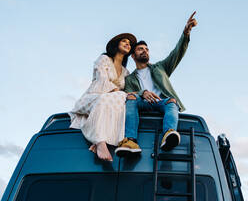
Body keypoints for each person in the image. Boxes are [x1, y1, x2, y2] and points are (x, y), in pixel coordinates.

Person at [115, 12, 198, 156]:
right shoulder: (129, 78)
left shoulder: (160, 67)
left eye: (147, 49)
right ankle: (131, 141)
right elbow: (128, 94)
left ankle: (169, 134)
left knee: (172, 101)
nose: (145, 51)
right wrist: (143, 93)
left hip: (161, 103)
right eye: (141, 49)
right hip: (142, 105)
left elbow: (176, 53)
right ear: (133, 56)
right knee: (131, 98)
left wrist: (186, 33)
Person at [69, 33, 137, 161]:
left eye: (130, 43)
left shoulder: (126, 72)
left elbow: (127, 92)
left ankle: (108, 137)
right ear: (116, 44)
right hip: (94, 97)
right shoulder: (103, 59)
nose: (128, 44)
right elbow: (102, 79)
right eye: (124, 41)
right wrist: (117, 90)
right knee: (111, 97)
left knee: (124, 101)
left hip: (112, 103)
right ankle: (100, 142)